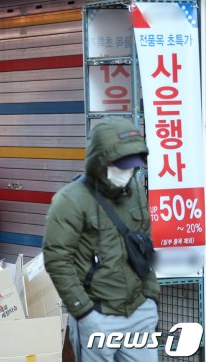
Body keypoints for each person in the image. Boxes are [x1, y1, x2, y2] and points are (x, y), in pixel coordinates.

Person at [43, 117, 160, 361]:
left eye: (131, 166)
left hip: (139, 312)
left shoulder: (135, 191)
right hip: (97, 315)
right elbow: (57, 260)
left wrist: (150, 297)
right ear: (99, 163)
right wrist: (84, 313)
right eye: (120, 166)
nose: (126, 173)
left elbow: (145, 244)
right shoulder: (69, 200)